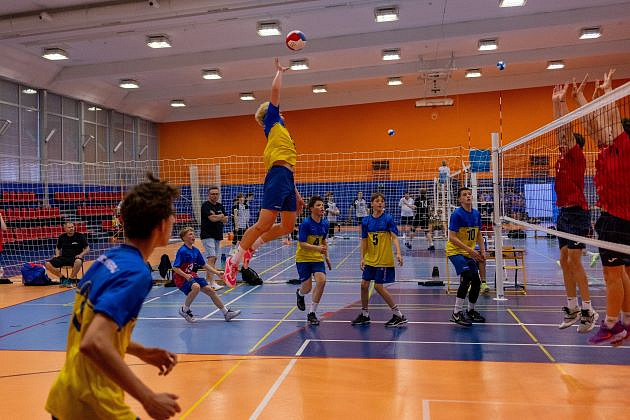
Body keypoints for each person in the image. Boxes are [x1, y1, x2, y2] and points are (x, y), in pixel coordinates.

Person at [45, 173, 181, 420]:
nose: (174, 219)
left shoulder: (107, 259)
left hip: (67, 395)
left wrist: (142, 352)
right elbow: (94, 342)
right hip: (94, 405)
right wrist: (148, 398)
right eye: (172, 214)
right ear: (161, 225)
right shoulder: (136, 273)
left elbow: (92, 329)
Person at [224, 58, 304, 286]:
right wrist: (280, 72)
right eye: (278, 110)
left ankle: (252, 248)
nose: (282, 112)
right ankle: (234, 259)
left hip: (286, 177)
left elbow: (290, 167)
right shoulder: (272, 122)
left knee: (288, 226)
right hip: (277, 176)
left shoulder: (284, 134)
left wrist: (296, 193)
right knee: (264, 224)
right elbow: (275, 91)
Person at [587, 69, 630, 346]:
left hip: (617, 220)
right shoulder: (614, 151)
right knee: (622, 273)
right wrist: (591, 100)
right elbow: (596, 126)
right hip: (617, 218)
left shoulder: (625, 148)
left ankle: (611, 325)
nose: (609, 131)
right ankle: (626, 322)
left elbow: (611, 120)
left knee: (612, 275)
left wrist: (608, 92)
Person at [552, 79, 598, 333]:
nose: (561, 141)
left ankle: (589, 310)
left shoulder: (577, 156)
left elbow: (566, 128)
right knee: (564, 259)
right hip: (564, 213)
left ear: (574, 145)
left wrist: (564, 103)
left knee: (575, 260)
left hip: (578, 213)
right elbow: (560, 128)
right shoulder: (561, 158)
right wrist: (555, 103)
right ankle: (572, 308)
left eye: (566, 140)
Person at [351, 192, 407, 328]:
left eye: (382, 201)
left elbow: (394, 237)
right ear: (372, 204)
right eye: (377, 201)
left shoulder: (388, 218)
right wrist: (362, 258)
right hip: (370, 259)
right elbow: (364, 241)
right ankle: (365, 314)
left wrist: (398, 253)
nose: (380, 203)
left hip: (383, 259)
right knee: (364, 285)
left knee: (378, 286)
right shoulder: (366, 221)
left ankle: (398, 315)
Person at [173, 227, 241, 323]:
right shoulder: (182, 251)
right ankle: (184, 310)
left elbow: (204, 265)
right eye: (190, 234)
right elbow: (175, 268)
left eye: (193, 234)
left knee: (211, 291)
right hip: (181, 278)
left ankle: (226, 313)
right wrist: (185, 275)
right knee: (196, 287)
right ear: (184, 238)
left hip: (191, 275)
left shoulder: (195, 250)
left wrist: (217, 272)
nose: (193, 236)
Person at [446, 187, 486, 327]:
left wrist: (482, 250)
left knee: (477, 281)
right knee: (467, 276)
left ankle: (470, 311)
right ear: (460, 199)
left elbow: (478, 234)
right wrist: (470, 250)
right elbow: (452, 237)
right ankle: (456, 313)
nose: (468, 196)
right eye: (464, 194)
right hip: (455, 251)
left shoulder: (476, 214)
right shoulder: (457, 214)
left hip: (468, 252)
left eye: (469, 194)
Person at [295, 196, 332, 325]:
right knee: (307, 288)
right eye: (318, 205)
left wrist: (327, 257)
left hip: (317, 258)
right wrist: (317, 248)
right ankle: (300, 294)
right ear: (311, 208)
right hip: (303, 258)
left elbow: (323, 241)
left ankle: (312, 313)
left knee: (322, 281)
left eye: (322, 205)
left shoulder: (325, 223)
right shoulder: (306, 223)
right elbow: (302, 244)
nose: (322, 207)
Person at [45, 221, 90, 287]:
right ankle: (63, 278)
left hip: (75, 258)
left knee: (78, 261)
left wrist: (81, 255)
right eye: (69, 227)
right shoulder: (62, 237)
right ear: (65, 229)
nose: (71, 228)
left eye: (72, 227)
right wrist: (57, 255)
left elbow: (87, 248)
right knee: (47, 264)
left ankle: (71, 279)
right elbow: (58, 248)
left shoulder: (80, 236)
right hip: (64, 258)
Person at [200, 186, 227, 290]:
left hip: (217, 235)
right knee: (211, 258)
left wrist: (217, 216)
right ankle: (211, 282)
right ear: (208, 195)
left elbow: (225, 219)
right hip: (207, 235)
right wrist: (220, 216)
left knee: (214, 259)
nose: (215, 196)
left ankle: (208, 281)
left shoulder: (220, 205)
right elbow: (212, 219)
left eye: (216, 194)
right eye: (212, 194)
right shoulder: (205, 206)